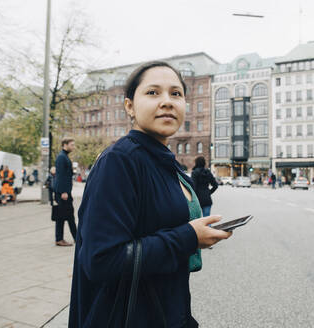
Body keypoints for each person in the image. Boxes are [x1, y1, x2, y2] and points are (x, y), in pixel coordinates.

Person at [68, 61, 232, 328]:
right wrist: (190, 236)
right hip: (127, 317)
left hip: (166, 311)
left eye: (176, 94)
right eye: (153, 92)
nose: (167, 102)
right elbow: (102, 261)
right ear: (129, 106)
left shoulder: (163, 161)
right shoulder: (120, 161)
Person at [54, 137, 77, 247]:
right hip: (63, 192)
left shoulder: (64, 156)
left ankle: (75, 237)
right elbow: (61, 176)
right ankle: (62, 238)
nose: (73, 147)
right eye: (72, 145)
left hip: (65, 191)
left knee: (65, 216)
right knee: (65, 216)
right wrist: (63, 191)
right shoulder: (61, 157)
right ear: (65, 144)